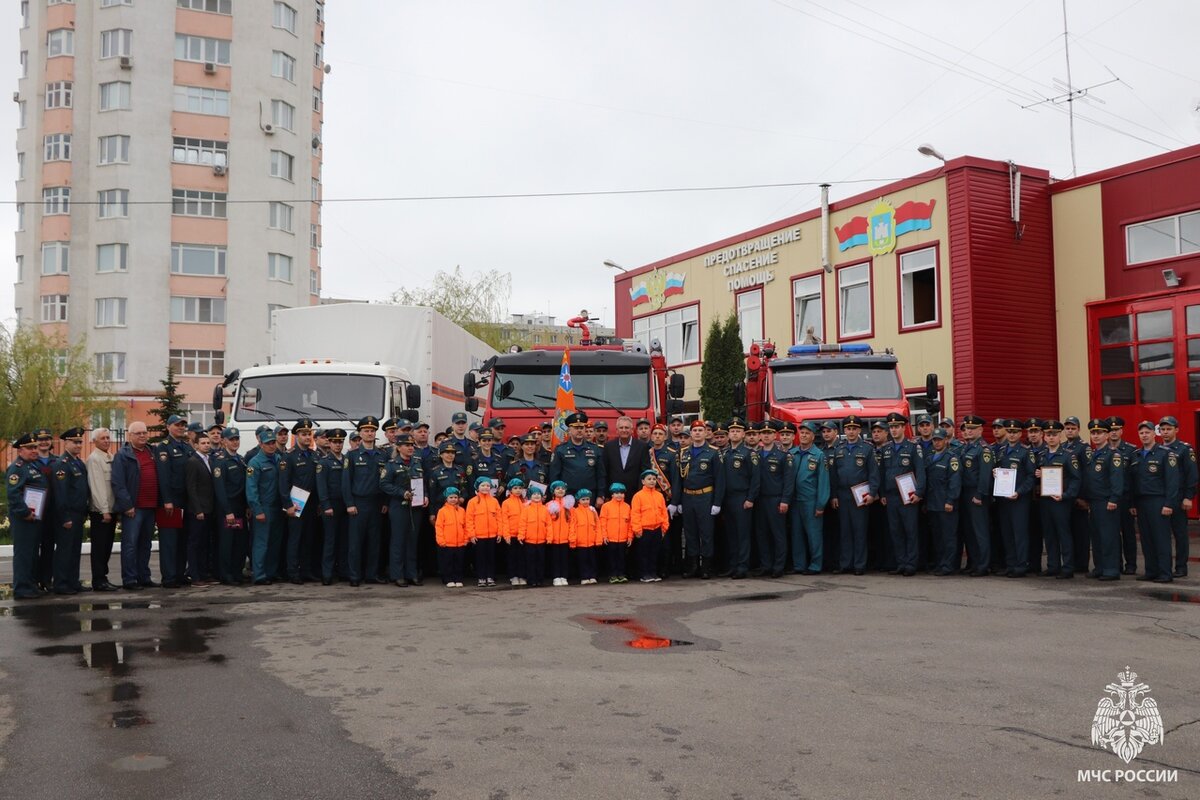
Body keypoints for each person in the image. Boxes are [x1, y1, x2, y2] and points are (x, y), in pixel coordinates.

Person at [672, 420, 725, 578]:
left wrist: (717, 503)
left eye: (700, 430)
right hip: (688, 497)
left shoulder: (713, 452)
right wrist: (678, 501)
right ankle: (692, 565)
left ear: (705, 432)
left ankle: (706, 567)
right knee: (690, 533)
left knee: (706, 533)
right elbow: (678, 481)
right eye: (694, 430)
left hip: (705, 497)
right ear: (691, 433)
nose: (697, 433)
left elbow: (720, 480)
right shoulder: (683, 452)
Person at [1130, 420, 1181, 584]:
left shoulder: (1165, 453)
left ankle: (1165, 573)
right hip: (1142, 502)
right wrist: (1133, 503)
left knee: (1161, 538)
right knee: (1146, 538)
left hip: (1158, 501)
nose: (1144, 435)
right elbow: (1133, 482)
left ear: (1154, 434)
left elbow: (1172, 482)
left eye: (1147, 432)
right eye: (1141, 433)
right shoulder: (1136, 455)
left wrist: (1169, 504)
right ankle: (1151, 571)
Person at [112, 422, 161, 590]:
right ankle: (130, 579)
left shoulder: (152, 452)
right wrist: (127, 505)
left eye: (145, 432)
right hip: (134, 508)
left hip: (151, 506)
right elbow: (118, 483)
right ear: (130, 435)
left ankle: (144, 576)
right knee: (130, 544)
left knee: (145, 544)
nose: (142, 435)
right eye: (138, 433)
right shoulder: (123, 455)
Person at [829, 416, 878, 576]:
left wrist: (872, 493)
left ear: (859, 430)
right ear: (844, 431)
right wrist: (834, 495)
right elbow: (834, 475)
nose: (851, 431)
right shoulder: (839, 449)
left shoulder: (867, 449)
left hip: (860, 495)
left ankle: (859, 564)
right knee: (845, 531)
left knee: (859, 530)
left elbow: (873, 474)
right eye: (848, 429)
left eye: (854, 429)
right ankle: (845, 564)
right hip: (842, 495)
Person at [879, 412, 925, 577]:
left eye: (897, 427)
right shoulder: (886, 448)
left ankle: (911, 564)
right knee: (895, 531)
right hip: (891, 497)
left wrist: (919, 492)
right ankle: (901, 563)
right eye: (891, 427)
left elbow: (920, 472)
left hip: (908, 496)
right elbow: (882, 473)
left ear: (903, 427)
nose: (894, 430)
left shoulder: (913, 447)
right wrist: (883, 493)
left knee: (910, 531)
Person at [343, 416, 386, 586]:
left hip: (376, 503)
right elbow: (346, 482)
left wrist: (384, 502)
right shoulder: (352, 455)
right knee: (355, 542)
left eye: (372, 431)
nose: (369, 433)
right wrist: (349, 503)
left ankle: (372, 574)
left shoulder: (381, 455)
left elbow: (384, 481)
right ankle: (354, 576)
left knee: (374, 541)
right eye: (366, 431)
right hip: (358, 503)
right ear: (360, 433)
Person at [380, 431, 427, 587]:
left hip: (416, 507)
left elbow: (422, 482)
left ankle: (411, 573)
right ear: (399, 447)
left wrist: (425, 496)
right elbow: (384, 484)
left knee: (412, 541)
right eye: (406, 445)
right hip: (399, 507)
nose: (410, 448)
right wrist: (402, 493)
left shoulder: (417, 463)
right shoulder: (391, 465)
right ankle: (398, 575)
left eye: (411, 445)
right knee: (398, 541)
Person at [7, 433, 49, 599]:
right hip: (24, 519)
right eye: (30, 448)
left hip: (33, 518)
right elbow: (13, 494)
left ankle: (30, 585)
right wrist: (25, 513)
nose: (34, 450)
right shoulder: (17, 468)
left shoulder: (32, 466)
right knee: (24, 553)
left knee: (32, 553)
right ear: (20, 450)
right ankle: (22, 588)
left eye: (35, 447)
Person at [1037, 420, 1081, 579]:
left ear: (1059, 435)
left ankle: (1068, 567)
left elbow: (1076, 479)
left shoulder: (1068, 455)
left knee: (1064, 534)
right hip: (1045, 500)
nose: (1051, 437)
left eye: (1054, 434)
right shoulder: (1042, 455)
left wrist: (1066, 495)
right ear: (1044, 436)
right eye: (1048, 435)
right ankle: (1053, 565)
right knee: (1049, 534)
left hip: (1061, 501)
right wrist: (1039, 475)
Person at [1080, 418, 1123, 581]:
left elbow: (1116, 479)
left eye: (1099, 433)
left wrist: (1114, 498)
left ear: (1107, 435)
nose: (1095, 436)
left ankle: (1111, 569)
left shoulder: (1113, 455)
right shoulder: (1093, 454)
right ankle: (1100, 567)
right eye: (1093, 433)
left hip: (1107, 502)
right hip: (1094, 501)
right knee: (1097, 536)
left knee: (1108, 536)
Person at [279, 419, 321, 584]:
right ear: (296, 436)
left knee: (308, 538)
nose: (306, 437)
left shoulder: (314, 455)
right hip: (296, 503)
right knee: (295, 539)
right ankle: (292, 572)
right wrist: (288, 504)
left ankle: (306, 570)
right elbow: (283, 484)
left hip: (311, 503)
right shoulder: (288, 457)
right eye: (303, 434)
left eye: (308, 434)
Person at [49, 427, 89, 595]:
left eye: (80, 442)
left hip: (78, 513)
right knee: (65, 550)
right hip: (68, 514)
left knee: (74, 550)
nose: (78, 445)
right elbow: (61, 493)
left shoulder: (78, 462)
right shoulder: (62, 464)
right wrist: (65, 516)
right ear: (66, 443)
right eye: (75, 442)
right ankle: (61, 583)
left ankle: (73, 581)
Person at [156, 414, 193, 587]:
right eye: (178, 425)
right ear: (168, 426)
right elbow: (164, 477)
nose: (181, 428)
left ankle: (179, 574)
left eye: (183, 425)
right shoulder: (164, 448)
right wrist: (167, 500)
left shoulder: (186, 447)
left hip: (186, 501)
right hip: (171, 501)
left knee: (182, 540)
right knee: (170, 540)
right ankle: (169, 577)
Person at [995, 419, 1036, 578]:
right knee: (1007, 533)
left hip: (1019, 500)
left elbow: (1031, 477)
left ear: (1020, 434)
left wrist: (1019, 492)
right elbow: (999, 469)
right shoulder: (1002, 450)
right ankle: (1010, 564)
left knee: (1019, 533)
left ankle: (1021, 565)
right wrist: (995, 473)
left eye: (1015, 432)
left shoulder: (1026, 452)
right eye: (1009, 432)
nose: (1012, 435)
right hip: (1004, 498)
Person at [1157, 416, 1197, 578]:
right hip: (1162, 498)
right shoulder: (1158, 450)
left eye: (1169, 429)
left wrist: (1188, 496)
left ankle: (1181, 566)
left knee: (1180, 534)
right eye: (1163, 429)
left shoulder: (1184, 449)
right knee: (1162, 534)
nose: (1165, 432)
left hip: (1179, 498)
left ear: (1176, 430)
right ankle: (1164, 566)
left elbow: (1192, 475)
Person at [720, 419, 760, 579]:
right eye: (732, 431)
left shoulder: (749, 454)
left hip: (742, 498)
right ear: (728, 434)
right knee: (731, 534)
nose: (734, 433)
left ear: (743, 434)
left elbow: (755, 480)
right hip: (728, 499)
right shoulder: (725, 454)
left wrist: (750, 498)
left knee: (742, 534)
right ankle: (733, 565)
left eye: (738, 431)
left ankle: (743, 566)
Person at [956, 415, 994, 577]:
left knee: (980, 531)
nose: (969, 431)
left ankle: (983, 565)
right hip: (965, 493)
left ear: (980, 430)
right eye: (967, 429)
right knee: (969, 531)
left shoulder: (984, 449)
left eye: (972, 429)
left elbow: (985, 476)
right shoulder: (965, 447)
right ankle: (973, 562)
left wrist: (979, 494)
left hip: (976, 493)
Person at [212, 427, 250, 585]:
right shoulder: (221, 461)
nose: (235, 442)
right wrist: (228, 511)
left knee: (240, 542)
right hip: (228, 509)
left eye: (237, 439)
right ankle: (226, 574)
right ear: (224, 441)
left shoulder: (241, 460)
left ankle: (237, 572)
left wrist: (247, 506)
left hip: (240, 508)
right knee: (227, 543)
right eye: (231, 439)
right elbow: (220, 489)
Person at [246, 427, 283, 586]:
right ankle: (259, 575)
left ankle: (271, 572)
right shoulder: (255, 462)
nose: (271, 446)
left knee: (275, 542)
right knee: (261, 542)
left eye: (273, 442)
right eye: (268, 443)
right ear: (260, 444)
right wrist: (257, 510)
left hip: (278, 507)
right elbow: (251, 489)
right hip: (264, 508)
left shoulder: (278, 459)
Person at [791, 422, 829, 575]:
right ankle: (799, 565)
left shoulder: (819, 455)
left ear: (813, 436)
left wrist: (821, 504)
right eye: (802, 433)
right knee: (797, 534)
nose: (804, 436)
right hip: (795, 501)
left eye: (807, 433)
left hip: (811, 501)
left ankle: (815, 565)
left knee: (814, 535)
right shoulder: (792, 453)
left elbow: (823, 482)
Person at [923, 429, 961, 576]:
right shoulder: (930, 457)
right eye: (934, 440)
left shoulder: (951, 458)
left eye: (939, 439)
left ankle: (948, 565)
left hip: (946, 504)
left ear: (946, 440)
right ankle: (939, 563)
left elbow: (954, 482)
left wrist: (951, 500)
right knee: (937, 537)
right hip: (933, 504)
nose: (937, 442)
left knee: (948, 537)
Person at [315, 428, 350, 585]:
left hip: (345, 504)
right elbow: (321, 487)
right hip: (331, 505)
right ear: (329, 443)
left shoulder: (346, 460)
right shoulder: (324, 462)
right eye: (335, 442)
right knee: (330, 540)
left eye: (340, 442)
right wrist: (326, 505)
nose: (338, 445)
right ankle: (327, 574)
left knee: (344, 541)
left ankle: (343, 571)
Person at [86, 427, 119, 591]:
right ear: (95, 441)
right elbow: (97, 487)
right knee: (99, 547)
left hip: (111, 510)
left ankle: (103, 577)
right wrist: (104, 510)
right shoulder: (94, 459)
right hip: (101, 511)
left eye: (108, 438)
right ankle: (98, 580)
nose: (106, 440)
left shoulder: (109, 457)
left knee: (107, 546)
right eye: (103, 438)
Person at [184, 433, 218, 587]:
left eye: (208, 442)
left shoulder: (209, 460)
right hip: (198, 511)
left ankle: (204, 574)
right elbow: (191, 488)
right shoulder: (193, 461)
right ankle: (195, 575)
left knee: (205, 543)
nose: (206, 445)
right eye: (203, 443)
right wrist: (198, 510)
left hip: (209, 508)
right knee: (195, 544)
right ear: (196, 445)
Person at [549, 411, 607, 502]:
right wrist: (555, 495)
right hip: (567, 496)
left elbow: (601, 475)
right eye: (576, 427)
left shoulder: (595, 449)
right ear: (569, 430)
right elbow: (554, 475)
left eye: (581, 427)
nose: (579, 430)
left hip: (589, 497)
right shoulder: (560, 450)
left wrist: (601, 495)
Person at [1107, 417, 1138, 574]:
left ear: (1121, 431)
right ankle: (1116, 564)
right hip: (1110, 499)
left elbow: (1134, 478)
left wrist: (1133, 503)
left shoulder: (1131, 450)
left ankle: (1131, 564)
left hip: (1125, 498)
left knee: (1128, 533)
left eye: (1116, 429)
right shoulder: (1101, 450)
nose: (1113, 433)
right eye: (1111, 430)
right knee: (1112, 534)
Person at [632, 469, 669, 582]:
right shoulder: (638, 496)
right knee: (644, 553)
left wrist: (664, 527)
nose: (652, 481)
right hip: (644, 529)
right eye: (649, 479)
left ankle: (653, 572)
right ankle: (644, 573)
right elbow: (635, 513)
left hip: (657, 528)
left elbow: (664, 512)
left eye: (654, 479)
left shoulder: (659, 496)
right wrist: (637, 529)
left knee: (654, 552)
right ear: (643, 481)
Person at [602, 416, 650, 502]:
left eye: (627, 427)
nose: (624, 430)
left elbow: (644, 472)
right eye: (621, 427)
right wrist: (606, 494)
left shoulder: (642, 447)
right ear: (617, 430)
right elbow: (605, 472)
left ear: (632, 430)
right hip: (614, 494)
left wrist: (641, 493)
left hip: (636, 495)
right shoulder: (608, 446)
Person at [465, 476, 501, 587]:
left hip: (492, 535)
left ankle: (490, 576)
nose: (485, 488)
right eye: (483, 485)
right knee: (480, 558)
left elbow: (499, 518)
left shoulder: (494, 501)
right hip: (479, 536)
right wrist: (471, 534)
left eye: (488, 486)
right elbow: (469, 519)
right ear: (477, 487)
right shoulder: (472, 502)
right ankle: (481, 577)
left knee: (491, 557)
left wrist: (500, 533)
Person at [518, 486, 551, 587]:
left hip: (541, 540)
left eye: (538, 494)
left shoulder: (545, 509)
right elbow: (522, 524)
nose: (536, 496)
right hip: (529, 541)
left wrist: (549, 537)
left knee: (541, 561)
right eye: (534, 494)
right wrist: (521, 535)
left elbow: (549, 525)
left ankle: (540, 579)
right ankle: (531, 579)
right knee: (530, 561)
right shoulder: (526, 509)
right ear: (529, 496)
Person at [435, 487, 468, 587]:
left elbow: (466, 525)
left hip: (460, 543)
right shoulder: (442, 511)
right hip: (447, 543)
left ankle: (458, 578)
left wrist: (466, 538)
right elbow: (439, 527)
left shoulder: (462, 510)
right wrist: (441, 540)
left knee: (459, 562)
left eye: (455, 497)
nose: (453, 499)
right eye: (451, 497)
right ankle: (448, 579)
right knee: (448, 562)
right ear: (446, 498)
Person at [600, 483, 632, 583]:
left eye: (622, 493)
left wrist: (630, 537)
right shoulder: (606, 506)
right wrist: (604, 535)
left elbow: (630, 523)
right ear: (612, 494)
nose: (619, 495)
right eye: (616, 493)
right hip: (611, 538)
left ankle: (621, 574)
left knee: (622, 558)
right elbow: (603, 522)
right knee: (611, 558)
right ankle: (612, 575)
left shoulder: (627, 506)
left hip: (623, 538)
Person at [570, 488, 601, 585]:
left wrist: (598, 539)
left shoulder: (592, 511)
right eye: (583, 499)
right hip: (581, 542)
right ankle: (584, 576)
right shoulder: (575, 511)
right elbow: (573, 526)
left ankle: (592, 576)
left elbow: (597, 525)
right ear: (578, 500)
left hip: (591, 542)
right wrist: (573, 540)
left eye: (587, 499)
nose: (585, 501)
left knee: (592, 560)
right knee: (582, 561)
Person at [501, 478, 527, 586]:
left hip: (523, 535)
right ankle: (513, 576)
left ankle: (522, 575)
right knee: (512, 556)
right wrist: (506, 535)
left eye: (520, 488)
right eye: (515, 488)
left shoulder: (525, 502)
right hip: (511, 534)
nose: (518, 490)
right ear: (510, 490)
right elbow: (504, 520)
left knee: (522, 557)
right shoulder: (506, 503)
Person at [546, 481, 572, 586]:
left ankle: (564, 576)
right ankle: (556, 576)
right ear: (553, 491)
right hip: (555, 538)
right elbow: (547, 523)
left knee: (565, 558)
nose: (560, 490)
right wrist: (550, 536)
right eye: (557, 488)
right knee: (555, 558)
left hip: (565, 537)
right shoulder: (549, 505)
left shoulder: (569, 505)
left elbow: (572, 522)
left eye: (562, 488)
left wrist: (571, 535)